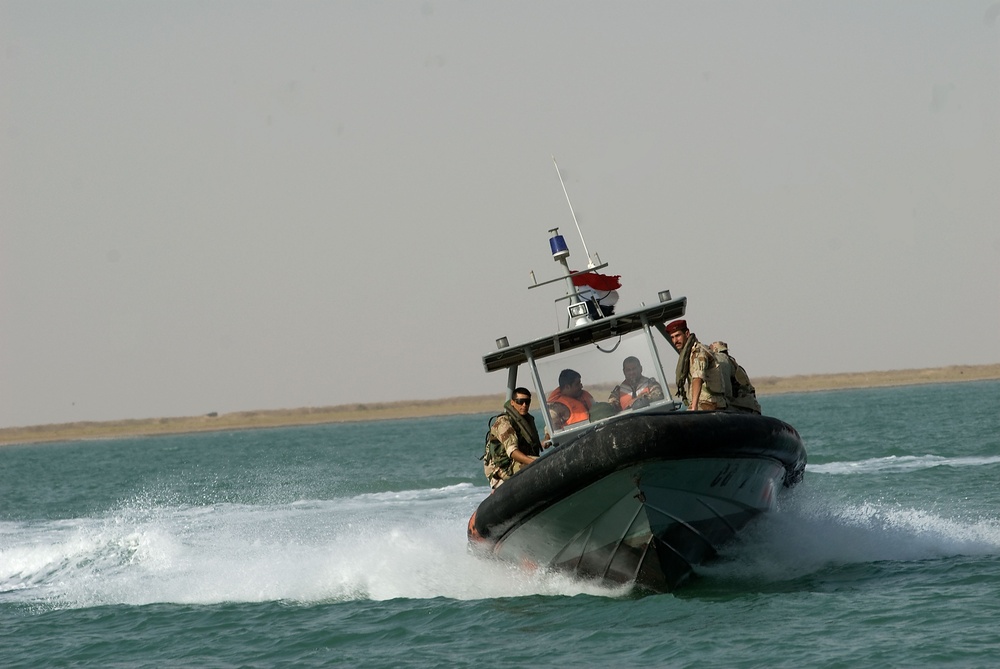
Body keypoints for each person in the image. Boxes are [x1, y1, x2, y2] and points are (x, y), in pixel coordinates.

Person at [482, 387, 543, 490]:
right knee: (542, 465)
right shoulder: (504, 423)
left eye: (527, 402)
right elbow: (513, 452)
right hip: (502, 469)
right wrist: (534, 463)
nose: (524, 405)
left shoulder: (524, 421)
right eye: (520, 402)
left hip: (514, 463)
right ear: (512, 403)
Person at [664, 319, 728, 411]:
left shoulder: (698, 352)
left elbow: (698, 378)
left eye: (678, 336)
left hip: (710, 403)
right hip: (704, 402)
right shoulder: (688, 354)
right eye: (672, 337)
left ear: (686, 334)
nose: (675, 340)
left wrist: (693, 408)